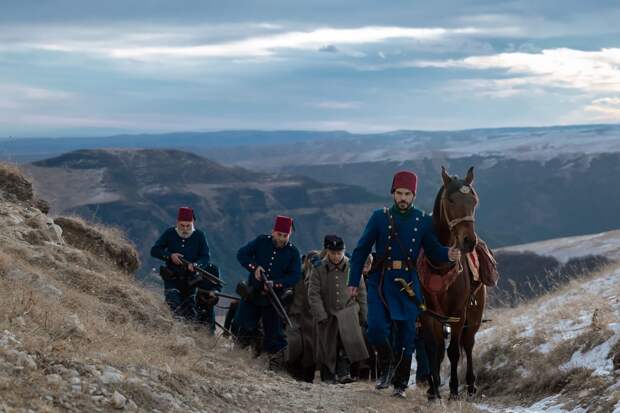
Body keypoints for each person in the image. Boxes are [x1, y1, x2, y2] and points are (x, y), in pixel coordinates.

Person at [348, 171, 461, 397]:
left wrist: (448, 254)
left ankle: (400, 384)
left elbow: (432, 250)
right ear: (393, 193)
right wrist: (353, 281)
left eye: (407, 194)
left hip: (408, 284)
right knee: (376, 329)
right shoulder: (379, 217)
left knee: (406, 337)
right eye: (399, 193)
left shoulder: (422, 220)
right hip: (380, 281)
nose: (402, 198)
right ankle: (388, 364)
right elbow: (360, 250)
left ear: (414, 195)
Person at [233, 215, 302, 370]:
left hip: (273, 299)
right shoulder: (261, 241)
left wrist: (276, 283)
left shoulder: (293, 252)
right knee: (240, 324)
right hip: (253, 295)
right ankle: (238, 359)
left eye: (286, 235)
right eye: (279, 234)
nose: (282, 238)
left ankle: (275, 367)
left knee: (274, 335)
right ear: (273, 231)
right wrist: (254, 267)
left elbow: (295, 276)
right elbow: (241, 254)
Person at [309, 235, 369, 384]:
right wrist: (320, 314)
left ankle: (344, 373)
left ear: (344, 251)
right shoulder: (318, 268)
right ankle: (328, 374)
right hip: (327, 311)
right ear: (327, 251)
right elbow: (313, 293)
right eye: (333, 253)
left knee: (347, 342)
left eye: (339, 253)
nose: (336, 257)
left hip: (348, 310)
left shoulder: (353, 266)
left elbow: (361, 292)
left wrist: (364, 316)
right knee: (328, 344)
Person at [150, 207, 220, 332]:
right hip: (172, 278)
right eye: (182, 226)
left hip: (190, 280)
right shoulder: (169, 233)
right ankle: (172, 331)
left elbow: (205, 257)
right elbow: (154, 250)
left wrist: (197, 265)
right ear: (177, 222)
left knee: (189, 309)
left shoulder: (199, 235)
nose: (185, 229)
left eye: (188, 226)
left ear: (193, 223)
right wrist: (170, 256)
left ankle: (188, 335)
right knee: (173, 302)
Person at [286, 251, 320, 382]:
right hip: (294, 315)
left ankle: (307, 378)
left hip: (311, 318)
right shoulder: (296, 275)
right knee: (293, 343)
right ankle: (290, 373)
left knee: (311, 348)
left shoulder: (320, 276)